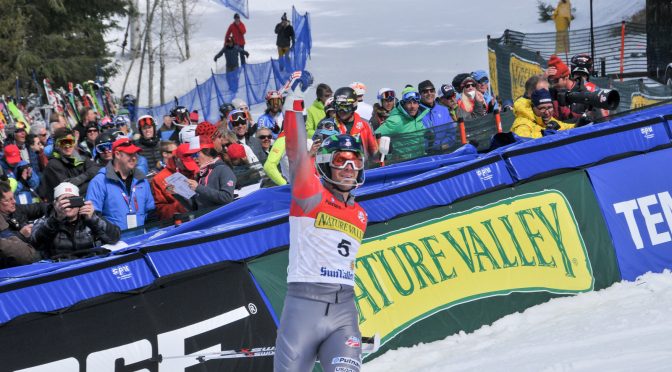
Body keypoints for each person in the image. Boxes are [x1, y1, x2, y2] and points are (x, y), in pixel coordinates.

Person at [274, 71, 368, 372]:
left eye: (355, 161)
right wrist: (294, 104)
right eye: (342, 160)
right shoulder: (309, 194)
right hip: (304, 307)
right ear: (327, 163)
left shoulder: (361, 214)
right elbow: (297, 155)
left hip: (344, 310)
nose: (350, 168)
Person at [31, 182, 120, 259]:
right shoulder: (46, 220)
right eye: (64, 200)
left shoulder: (89, 217)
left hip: (90, 265)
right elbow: (35, 242)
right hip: (61, 269)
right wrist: (56, 220)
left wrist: (93, 219)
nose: (69, 204)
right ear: (55, 204)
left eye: (73, 199)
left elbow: (114, 238)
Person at [86, 138, 155, 230]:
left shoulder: (142, 180)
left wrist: (151, 237)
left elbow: (150, 213)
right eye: (130, 154)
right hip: (115, 242)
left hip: (142, 240)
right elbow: (94, 217)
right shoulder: (99, 181)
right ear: (117, 154)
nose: (134, 157)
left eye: (135, 154)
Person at [40, 129, 99, 202]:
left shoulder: (81, 157)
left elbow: (97, 168)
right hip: (65, 207)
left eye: (70, 142)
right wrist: (93, 182)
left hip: (86, 201)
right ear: (57, 145)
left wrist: (81, 178)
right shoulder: (53, 165)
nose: (67, 146)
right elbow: (68, 191)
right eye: (64, 143)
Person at [375, 87, 429, 161]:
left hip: (421, 160)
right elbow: (374, 137)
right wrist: (389, 152)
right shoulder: (396, 120)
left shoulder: (420, 118)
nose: (412, 106)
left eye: (415, 103)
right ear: (404, 104)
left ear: (418, 104)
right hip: (403, 164)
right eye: (409, 103)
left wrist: (429, 134)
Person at [151, 143, 198, 221]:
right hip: (179, 223)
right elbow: (160, 209)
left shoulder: (197, 170)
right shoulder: (160, 178)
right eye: (186, 164)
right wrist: (182, 205)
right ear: (177, 159)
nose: (188, 168)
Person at [187, 136, 236, 210]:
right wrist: (178, 194)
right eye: (192, 155)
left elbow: (227, 197)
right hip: (207, 218)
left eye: (195, 154)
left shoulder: (223, 169)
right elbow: (196, 207)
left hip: (222, 218)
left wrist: (198, 188)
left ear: (207, 152)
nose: (194, 158)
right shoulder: (202, 173)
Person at [332, 87, 378, 159]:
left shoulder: (365, 125)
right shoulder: (328, 125)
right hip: (337, 168)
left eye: (345, 107)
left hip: (362, 168)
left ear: (354, 106)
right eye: (338, 107)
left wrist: (382, 153)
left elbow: (374, 152)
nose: (341, 110)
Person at [418, 79, 457, 151]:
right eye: (425, 92)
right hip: (425, 155)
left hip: (445, 152)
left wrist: (443, 145)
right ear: (420, 94)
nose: (429, 93)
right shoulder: (416, 112)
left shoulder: (444, 110)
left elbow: (451, 132)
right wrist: (430, 147)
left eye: (431, 90)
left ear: (435, 92)